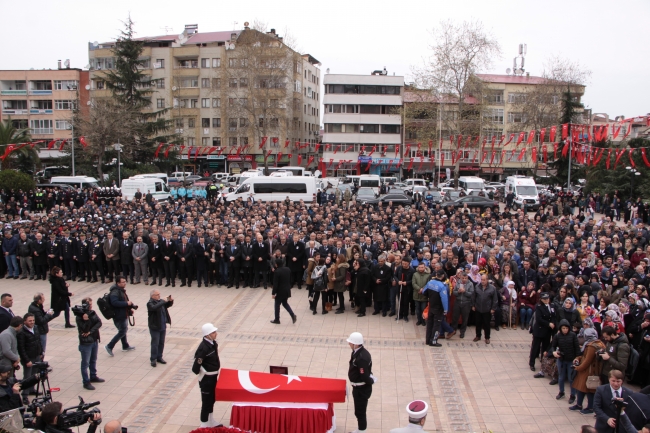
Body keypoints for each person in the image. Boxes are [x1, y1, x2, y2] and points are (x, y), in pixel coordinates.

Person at [192, 323, 222, 428]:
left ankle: (210, 420)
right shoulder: (203, 347)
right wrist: (203, 373)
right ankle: (204, 424)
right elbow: (196, 365)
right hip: (207, 378)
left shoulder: (213, 343)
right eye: (213, 332)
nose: (215, 334)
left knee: (212, 399)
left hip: (213, 376)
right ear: (207, 335)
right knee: (206, 401)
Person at [571, 328, 606, 414]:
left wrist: (577, 368)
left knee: (589, 389)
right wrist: (578, 358)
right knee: (581, 388)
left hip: (588, 371)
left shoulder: (591, 346)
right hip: (589, 370)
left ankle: (590, 408)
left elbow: (587, 361)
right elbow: (584, 357)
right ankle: (579, 404)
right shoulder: (599, 343)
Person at [347, 332, 374, 433]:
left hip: (361, 390)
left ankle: (362, 431)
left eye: (351, 342)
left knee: (360, 412)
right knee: (358, 411)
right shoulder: (357, 352)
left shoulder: (361, 357)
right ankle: (360, 429)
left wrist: (370, 381)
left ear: (356, 344)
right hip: (358, 388)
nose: (349, 344)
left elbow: (365, 376)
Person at [75, 298, 104, 390]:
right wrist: (86, 321)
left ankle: (93, 376)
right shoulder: (79, 316)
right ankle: (86, 382)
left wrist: (91, 331)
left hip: (94, 339)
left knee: (93, 360)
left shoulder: (92, 312)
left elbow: (99, 323)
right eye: (89, 305)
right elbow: (84, 330)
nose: (91, 306)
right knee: (85, 363)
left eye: (91, 304)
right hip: (86, 343)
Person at [550, 319, 580, 403]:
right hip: (561, 359)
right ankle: (561, 392)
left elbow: (577, 348)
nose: (565, 330)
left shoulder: (573, 335)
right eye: (563, 328)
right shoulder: (557, 336)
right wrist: (554, 352)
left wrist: (577, 358)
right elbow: (553, 346)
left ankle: (572, 395)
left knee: (571, 378)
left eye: (566, 328)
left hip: (571, 359)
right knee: (561, 377)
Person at [104, 276, 136, 357]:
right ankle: (109, 346)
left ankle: (125, 346)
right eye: (123, 282)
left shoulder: (120, 290)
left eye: (125, 281)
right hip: (118, 315)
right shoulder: (115, 292)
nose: (125, 283)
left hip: (123, 313)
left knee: (123, 330)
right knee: (122, 331)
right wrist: (126, 304)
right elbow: (114, 303)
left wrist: (128, 309)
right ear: (118, 283)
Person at [17, 313, 43, 401]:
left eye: (33, 320)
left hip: (36, 356)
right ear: (24, 322)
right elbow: (21, 348)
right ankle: (25, 395)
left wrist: (41, 352)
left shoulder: (35, 328)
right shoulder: (21, 332)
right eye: (30, 321)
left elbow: (39, 340)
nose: (32, 322)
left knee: (34, 375)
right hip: (28, 358)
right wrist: (27, 360)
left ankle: (32, 390)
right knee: (27, 377)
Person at [35, 401, 101, 433]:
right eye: (63, 413)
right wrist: (93, 425)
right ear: (55, 419)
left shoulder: (45, 426)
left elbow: (39, 424)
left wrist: (39, 416)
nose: (65, 414)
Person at [531, 292, 556, 376]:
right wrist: (548, 323)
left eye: (547, 299)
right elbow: (539, 319)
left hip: (547, 331)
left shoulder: (551, 306)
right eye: (544, 299)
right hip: (539, 330)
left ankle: (543, 364)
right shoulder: (539, 307)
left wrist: (552, 322)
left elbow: (553, 316)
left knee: (545, 348)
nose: (546, 300)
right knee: (535, 347)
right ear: (541, 299)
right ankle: (532, 363)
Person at [422, 270, 449, 347]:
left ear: (436, 275)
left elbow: (424, 292)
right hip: (438, 308)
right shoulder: (442, 286)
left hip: (431, 306)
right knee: (436, 325)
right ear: (443, 276)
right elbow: (444, 299)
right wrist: (446, 309)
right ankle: (433, 341)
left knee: (430, 324)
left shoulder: (430, 282)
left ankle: (427, 340)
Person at [147, 289, 173, 367]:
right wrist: (163, 301)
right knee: (155, 343)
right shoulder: (150, 303)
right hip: (155, 326)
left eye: (159, 294)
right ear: (153, 296)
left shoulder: (160, 301)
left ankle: (159, 357)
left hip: (162, 326)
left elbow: (167, 305)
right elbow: (154, 308)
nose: (159, 296)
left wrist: (170, 301)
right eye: (157, 295)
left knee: (161, 342)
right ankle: (153, 359)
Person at [472, 274, 498, 344]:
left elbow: (495, 299)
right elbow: (474, 297)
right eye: (481, 280)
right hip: (478, 309)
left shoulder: (492, 288)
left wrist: (493, 308)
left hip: (487, 309)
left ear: (487, 280)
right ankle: (478, 336)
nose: (482, 281)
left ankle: (487, 337)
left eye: (484, 280)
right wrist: (473, 305)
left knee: (486, 324)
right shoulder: (477, 287)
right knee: (478, 323)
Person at [270, 258, 297, 324]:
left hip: (280, 291)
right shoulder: (288, 269)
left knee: (277, 305)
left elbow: (275, 284)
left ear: (276, 264)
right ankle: (292, 315)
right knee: (285, 303)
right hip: (287, 289)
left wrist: (273, 293)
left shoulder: (277, 272)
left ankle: (277, 319)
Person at [451, 271, 474, 338]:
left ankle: (462, 332)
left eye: (465, 278)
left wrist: (465, 292)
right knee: (455, 318)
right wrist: (458, 292)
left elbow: (471, 294)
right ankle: (453, 330)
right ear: (460, 278)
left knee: (465, 319)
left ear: (467, 278)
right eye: (463, 278)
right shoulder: (458, 283)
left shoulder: (470, 284)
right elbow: (454, 292)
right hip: (457, 302)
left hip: (466, 303)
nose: (464, 279)